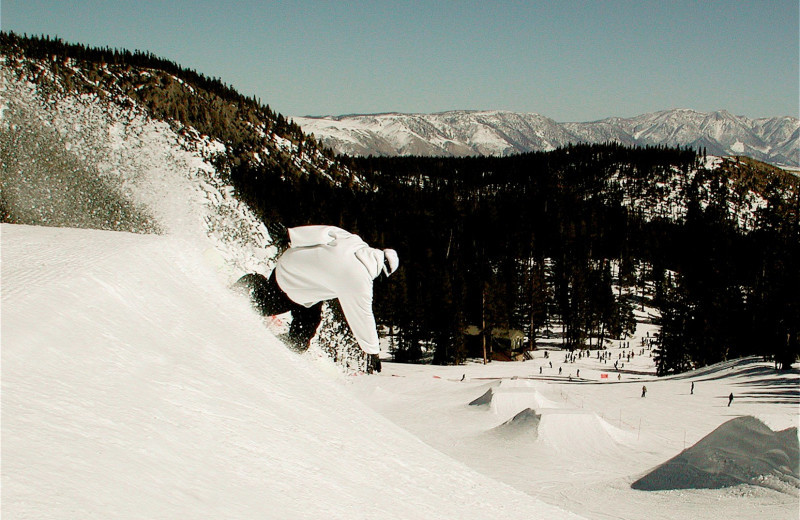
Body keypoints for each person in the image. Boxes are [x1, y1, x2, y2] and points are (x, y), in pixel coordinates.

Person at [235, 223, 399, 355]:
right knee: (269, 309)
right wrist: (372, 350)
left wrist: (290, 234)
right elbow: (362, 316)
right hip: (294, 286)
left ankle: (257, 286)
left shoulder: (354, 241)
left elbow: (323, 232)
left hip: (287, 266)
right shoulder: (360, 281)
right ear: (383, 274)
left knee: (311, 313)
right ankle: (277, 349)